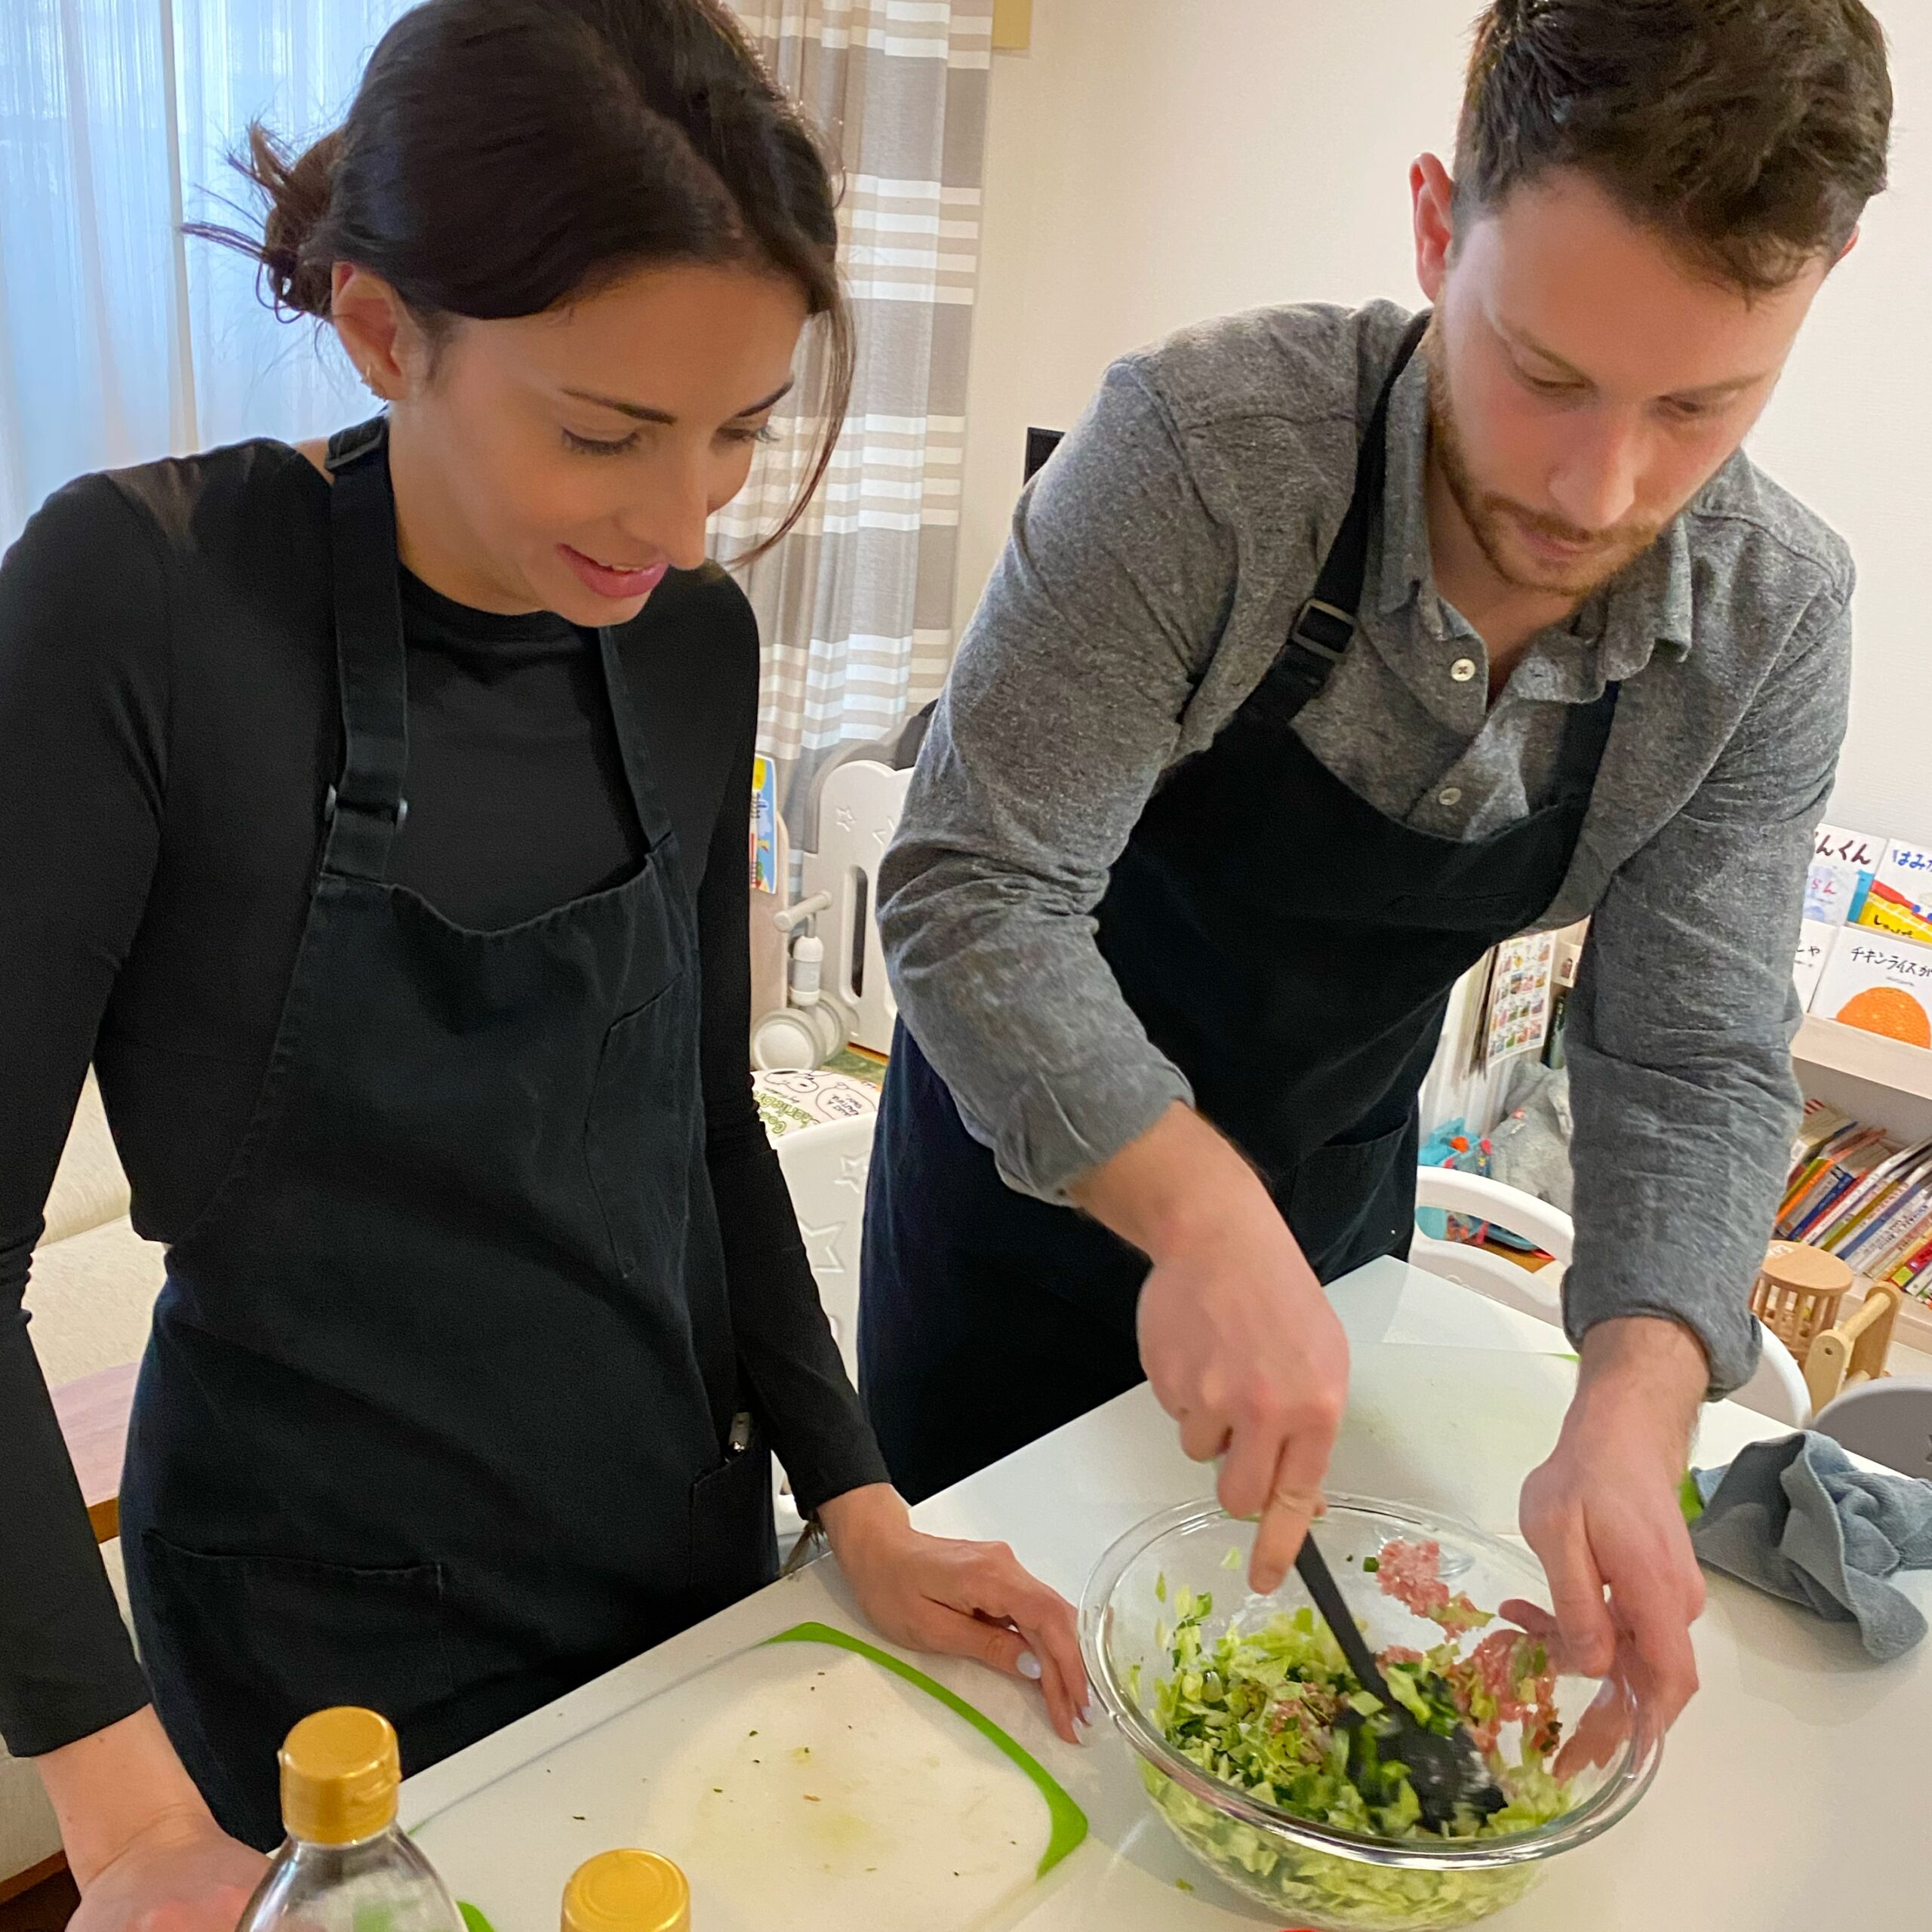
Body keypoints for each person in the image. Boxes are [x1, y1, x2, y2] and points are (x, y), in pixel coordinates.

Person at [0, 1, 1086, 1919]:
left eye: (739, 428)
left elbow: (705, 1135)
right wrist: (125, 1800)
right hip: (318, 1656)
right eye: (604, 431)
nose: (682, 520)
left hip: (671, 1566)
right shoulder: (142, 606)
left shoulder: (687, 641)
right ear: (380, 330)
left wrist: (857, 1501)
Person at [861, 0, 1892, 1737]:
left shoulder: (1769, 615)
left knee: (1256, 1681)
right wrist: (1195, 1212)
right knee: (973, 1732)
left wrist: (1634, 1399)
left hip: (1335, 1229)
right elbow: (972, 888)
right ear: (1434, 224)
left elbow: (1687, 1046)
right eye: (1542, 373)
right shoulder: (1205, 456)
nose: (1600, 488)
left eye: (1698, 404)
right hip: (1013, 1225)